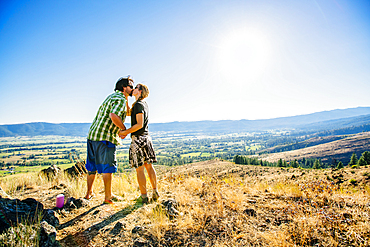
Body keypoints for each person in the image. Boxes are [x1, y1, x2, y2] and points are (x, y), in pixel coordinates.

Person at [85, 77, 134, 205]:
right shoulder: (120, 99)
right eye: (131, 87)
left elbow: (127, 112)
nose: (133, 89)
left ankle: (88, 193)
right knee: (108, 167)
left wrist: (128, 97)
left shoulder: (112, 97)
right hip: (105, 138)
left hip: (93, 135)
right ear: (124, 88)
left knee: (92, 167)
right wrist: (123, 129)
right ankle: (108, 197)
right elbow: (114, 116)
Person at [119, 83, 158, 204]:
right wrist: (126, 97)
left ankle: (144, 196)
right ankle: (155, 191)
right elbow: (128, 113)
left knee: (140, 169)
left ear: (140, 91)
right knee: (149, 167)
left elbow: (139, 124)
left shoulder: (139, 105)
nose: (134, 89)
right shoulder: (141, 104)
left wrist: (125, 132)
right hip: (146, 138)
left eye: (136, 88)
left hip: (139, 139)